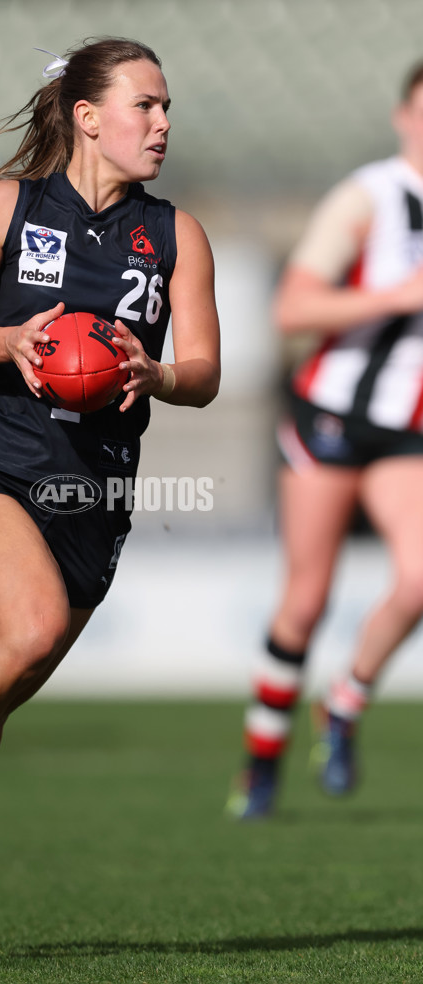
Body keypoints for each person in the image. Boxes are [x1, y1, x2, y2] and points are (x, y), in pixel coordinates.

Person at [0, 37, 220, 957]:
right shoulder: (10, 208)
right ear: (90, 116)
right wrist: (11, 340)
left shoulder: (177, 234)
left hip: (93, 499)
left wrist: (157, 370)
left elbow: (207, 372)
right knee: (30, 623)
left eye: (167, 106)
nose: (164, 123)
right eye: (147, 105)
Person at [228, 58, 423, 819]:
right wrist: (399, 295)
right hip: (332, 420)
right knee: (304, 604)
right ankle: (260, 765)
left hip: (408, 431)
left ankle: (343, 704)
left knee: (420, 578)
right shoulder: (368, 197)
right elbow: (291, 309)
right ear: (403, 117)